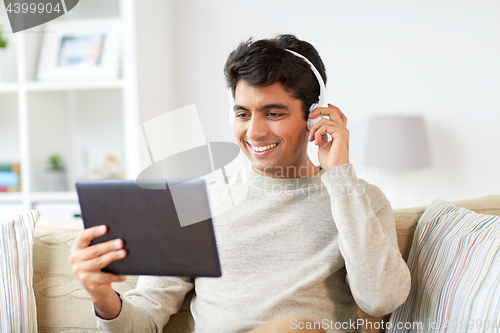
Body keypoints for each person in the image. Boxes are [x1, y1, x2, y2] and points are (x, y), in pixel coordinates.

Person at [70, 34, 411, 333]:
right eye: (243, 113)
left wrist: (339, 177)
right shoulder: (195, 201)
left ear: (315, 116)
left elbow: (381, 299)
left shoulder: (358, 198)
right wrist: (103, 297)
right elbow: (144, 322)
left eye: (273, 113)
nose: (254, 132)